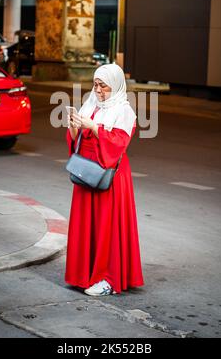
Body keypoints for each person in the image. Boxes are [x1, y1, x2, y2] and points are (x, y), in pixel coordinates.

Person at [65, 63, 144, 296]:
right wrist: (74, 128)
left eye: (104, 86)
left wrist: (95, 127)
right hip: (86, 172)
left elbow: (119, 144)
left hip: (109, 176)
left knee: (107, 227)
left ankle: (108, 278)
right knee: (86, 224)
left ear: (116, 86)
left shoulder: (124, 111)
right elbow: (77, 141)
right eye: (96, 85)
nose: (98, 91)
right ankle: (84, 274)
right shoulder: (90, 104)